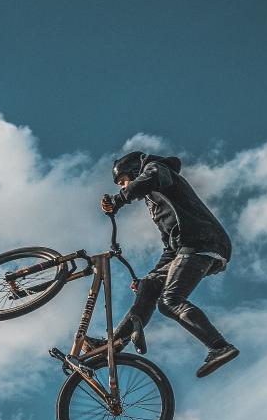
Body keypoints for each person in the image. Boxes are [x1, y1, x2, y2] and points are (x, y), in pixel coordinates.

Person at [98, 150, 239, 378]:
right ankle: (111, 345)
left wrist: (119, 200)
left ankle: (219, 346)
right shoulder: (155, 203)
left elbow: (150, 177)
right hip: (186, 248)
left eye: (124, 181)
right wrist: (151, 276)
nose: (123, 188)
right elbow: (170, 248)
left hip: (203, 243)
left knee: (169, 301)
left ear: (135, 171)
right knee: (149, 288)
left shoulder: (157, 170)